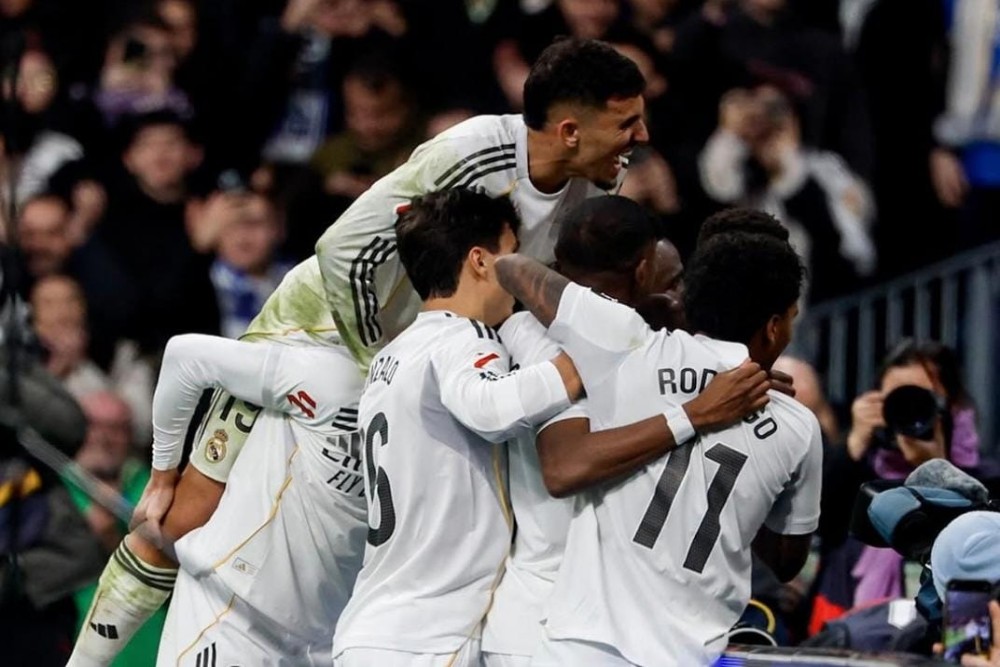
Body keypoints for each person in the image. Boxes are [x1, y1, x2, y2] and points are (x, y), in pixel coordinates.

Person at [69, 36, 651, 664]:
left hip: (427, 348)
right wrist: (384, 369)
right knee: (182, 517)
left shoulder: (594, 189)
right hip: (320, 330)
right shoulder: (473, 151)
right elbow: (345, 250)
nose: (640, 136)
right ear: (569, 131)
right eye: (626, 123)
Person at [495, 208, 822, 666]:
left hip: (580, 646)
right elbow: (787, 561)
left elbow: (511, 268)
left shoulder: (629, 346)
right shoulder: (797, 425)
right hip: (686, 653)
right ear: (772, 327)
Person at [332, 188, 582, 666]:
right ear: (481, 261)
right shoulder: (465, 337)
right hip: (428, 636)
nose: (521, 271)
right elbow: (488, 408)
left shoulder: (393, 353)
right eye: (513, 255)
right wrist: (580, 366)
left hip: (374, 628)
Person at [68, 328, 366, 665]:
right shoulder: (326, 372)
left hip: (326, 632)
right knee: (168, 524)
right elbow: (185, 357)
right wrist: (163, 474)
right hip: (233, 617)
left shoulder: (390, 386)